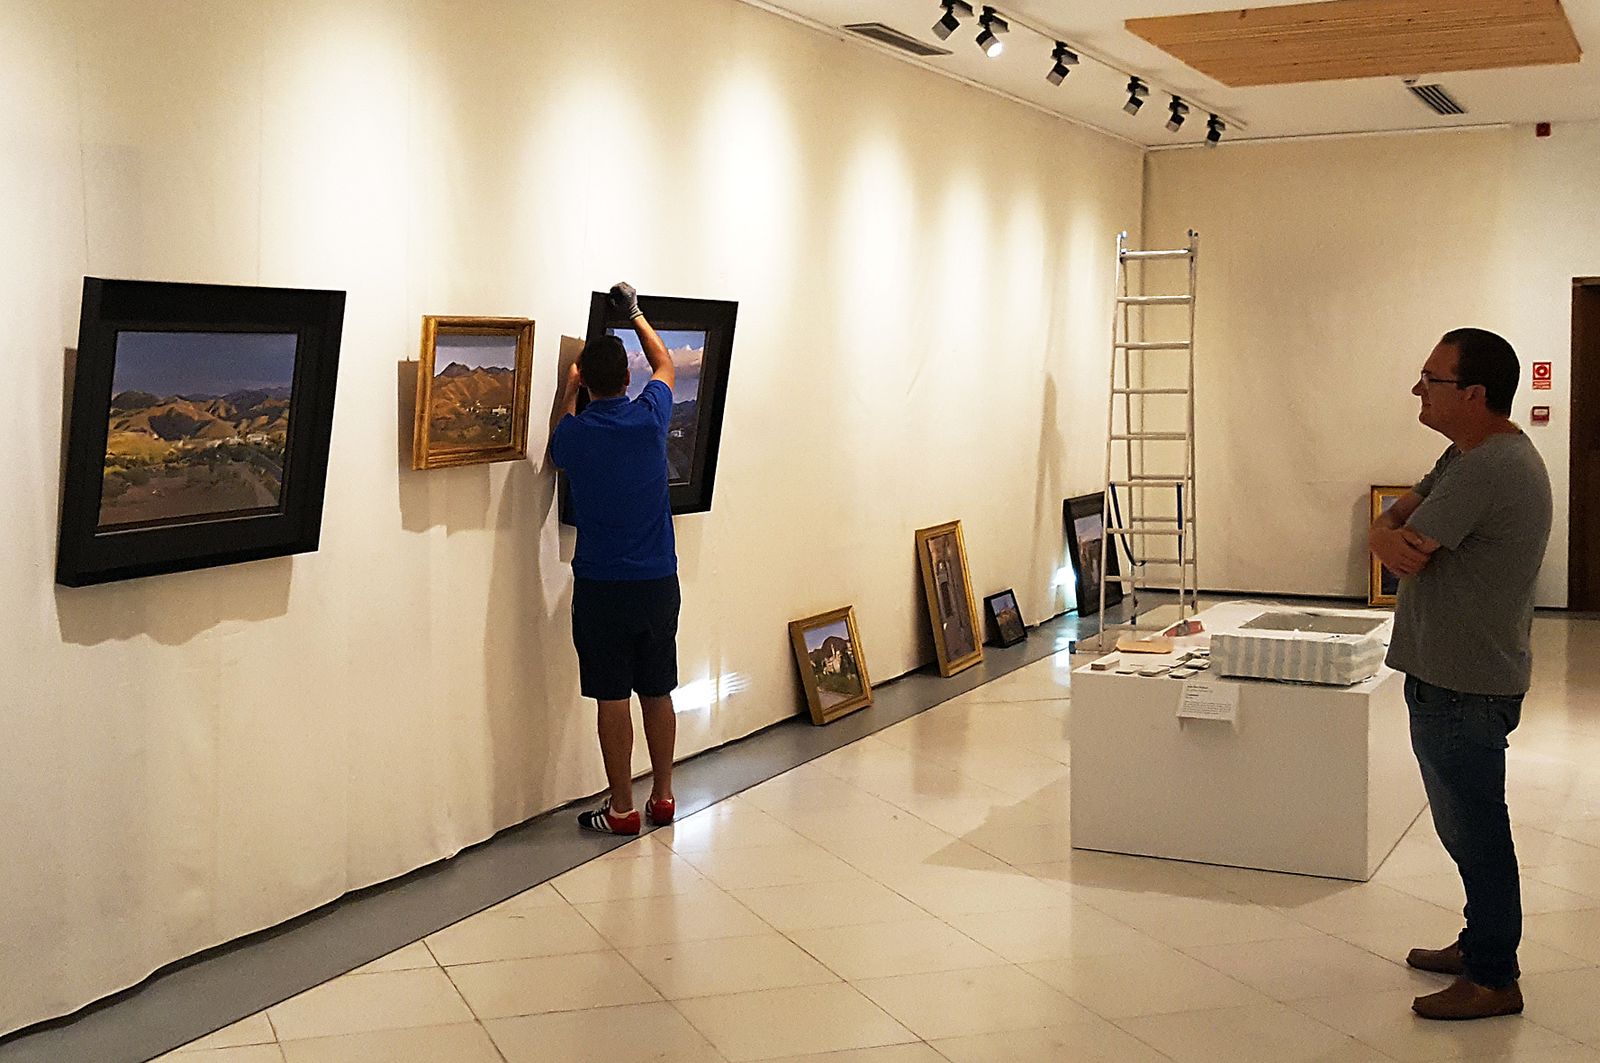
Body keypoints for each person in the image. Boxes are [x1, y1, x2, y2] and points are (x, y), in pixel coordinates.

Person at [1368, 327, 1551, 1021]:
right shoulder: (1463, 454)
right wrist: (1385, 535)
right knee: (1462, 827)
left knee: (1477, 829)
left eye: (1431, 378)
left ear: (1473, 393)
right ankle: (1479, 943)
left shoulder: (1487, 467)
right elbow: (1390, 528)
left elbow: (1402, 544)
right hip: (1451, 677)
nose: (1418, 388)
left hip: (1465, 684)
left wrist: (1388, 537)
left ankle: (1495, 975)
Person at [550, 282, 679, 836]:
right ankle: (665, 797)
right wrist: (635, 315)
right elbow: (666, 362)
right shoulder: (651, 416)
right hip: (657, 580)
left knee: (611, 695)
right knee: (658, 688)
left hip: (602, 584)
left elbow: (558, 433)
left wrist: (567, 387)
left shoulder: (575, 437)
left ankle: (621, 807)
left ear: (585, 381)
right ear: (627, 380)